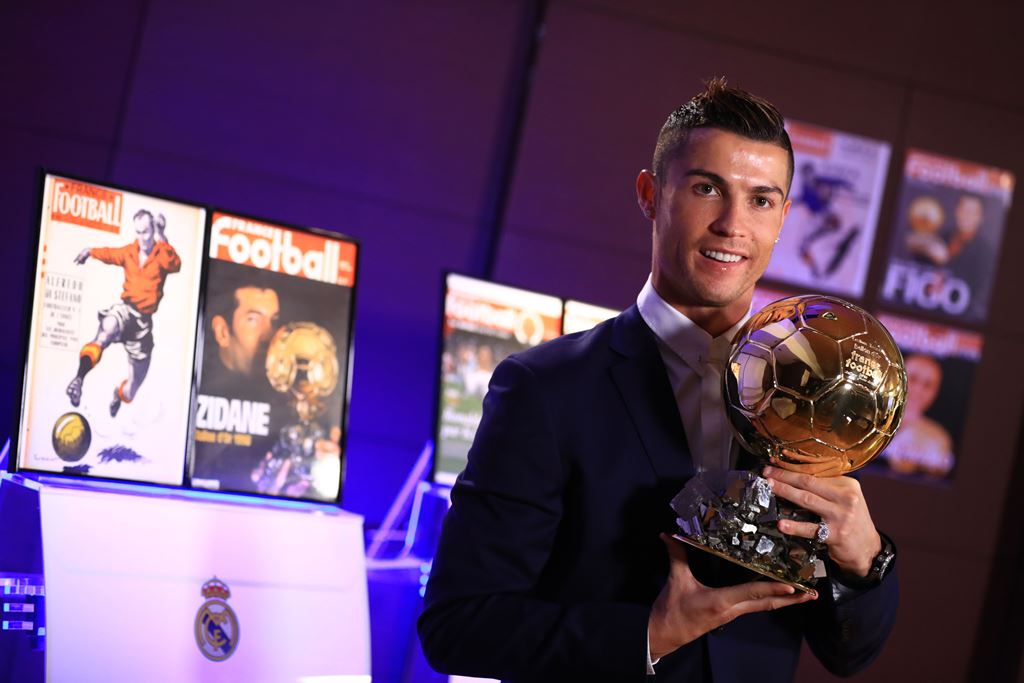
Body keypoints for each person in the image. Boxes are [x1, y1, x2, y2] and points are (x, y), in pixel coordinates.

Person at [418, 79, 898, 682]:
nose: (732, 224)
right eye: (707, 188)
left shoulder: (813, 390)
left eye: (761, 200)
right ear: (650, 194)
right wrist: (650, 634)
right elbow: (458, 627)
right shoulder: (545, 389)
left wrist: (864, 563)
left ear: (783, 219)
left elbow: (850, 653)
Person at [66, 209, 181, 417]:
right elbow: (109, 254)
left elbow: (175, 265)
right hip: (125, 311)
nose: (142, 238)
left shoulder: (161, 254)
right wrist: (89, 251)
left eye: (146, 232)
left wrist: (162, 236)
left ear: (153, 230)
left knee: (132, 390)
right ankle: (79, 378)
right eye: (138, 232)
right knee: (105, 331)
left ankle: (118, 395)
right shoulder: (129, 251)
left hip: (142, 326)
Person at [882, 353, 954, 477]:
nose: (918, 390)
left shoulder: (939, 438)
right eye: (913, 379)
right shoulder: (865, 416)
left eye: (928, 385)